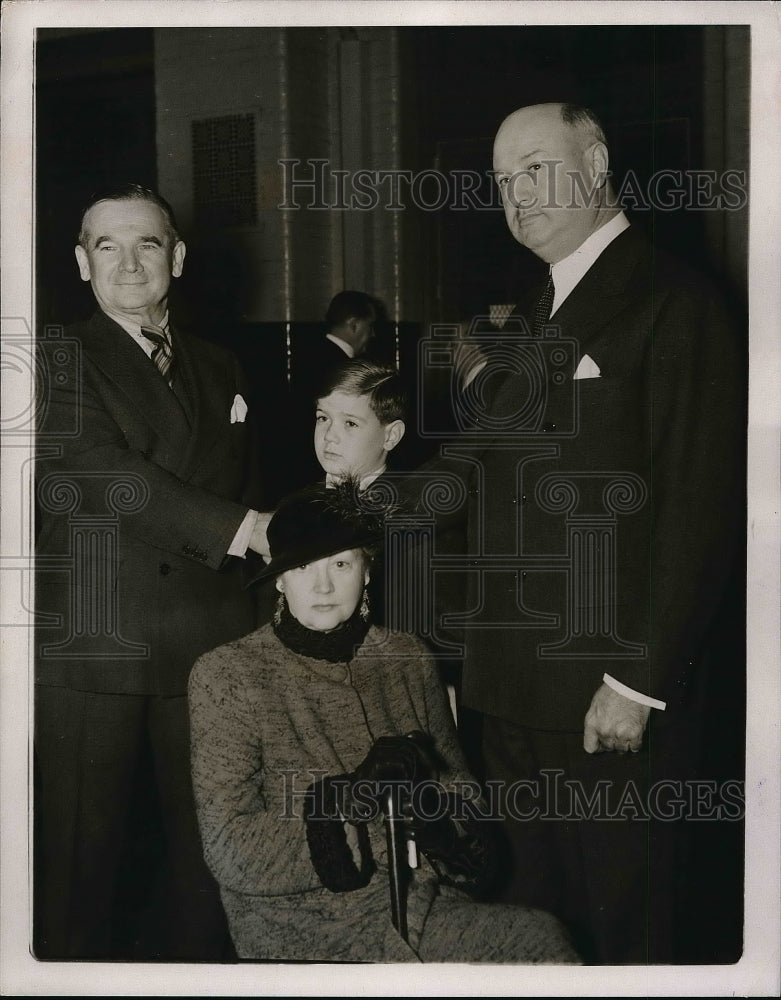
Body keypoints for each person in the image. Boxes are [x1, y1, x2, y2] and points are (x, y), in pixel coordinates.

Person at [398, 103, 746, 963]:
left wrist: (639, 678)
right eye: (502, 179)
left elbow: (701, 507)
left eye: (536, 166)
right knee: (535, 928)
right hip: (511, 689)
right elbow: (480, 475)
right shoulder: (531, 309)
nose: (517, 194)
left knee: (624, 928)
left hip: (607, 696)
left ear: (594, 162)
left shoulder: (674, 301)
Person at [187, 483, 581, 963]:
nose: (323, 586)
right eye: (303, 567)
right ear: (278, 579)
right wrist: (352, 800)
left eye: (340, 564)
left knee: (539, 942)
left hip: (425, 905)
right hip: (306, 926)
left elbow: (464, 796)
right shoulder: (229, 673)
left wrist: (434, 813)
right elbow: (229, 846)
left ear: (367, 570)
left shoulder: (407, 658)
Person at [34, 183, 271, 960]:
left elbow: (251, 484)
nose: (129, 262)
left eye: (146, 243)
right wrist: (241, 529)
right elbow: (106, 473)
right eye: (107, 245)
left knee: (211, 862)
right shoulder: (52, 355)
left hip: (207, 644)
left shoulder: (221, 361)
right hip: (98, 646)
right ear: (80, 262)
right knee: (79, 870)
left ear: (176, 255)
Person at [286, 291, 380, 490]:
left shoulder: (307, 352)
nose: (373, 334)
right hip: (324, 469)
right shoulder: (345, 367)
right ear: (354, 324)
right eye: (370, 326)